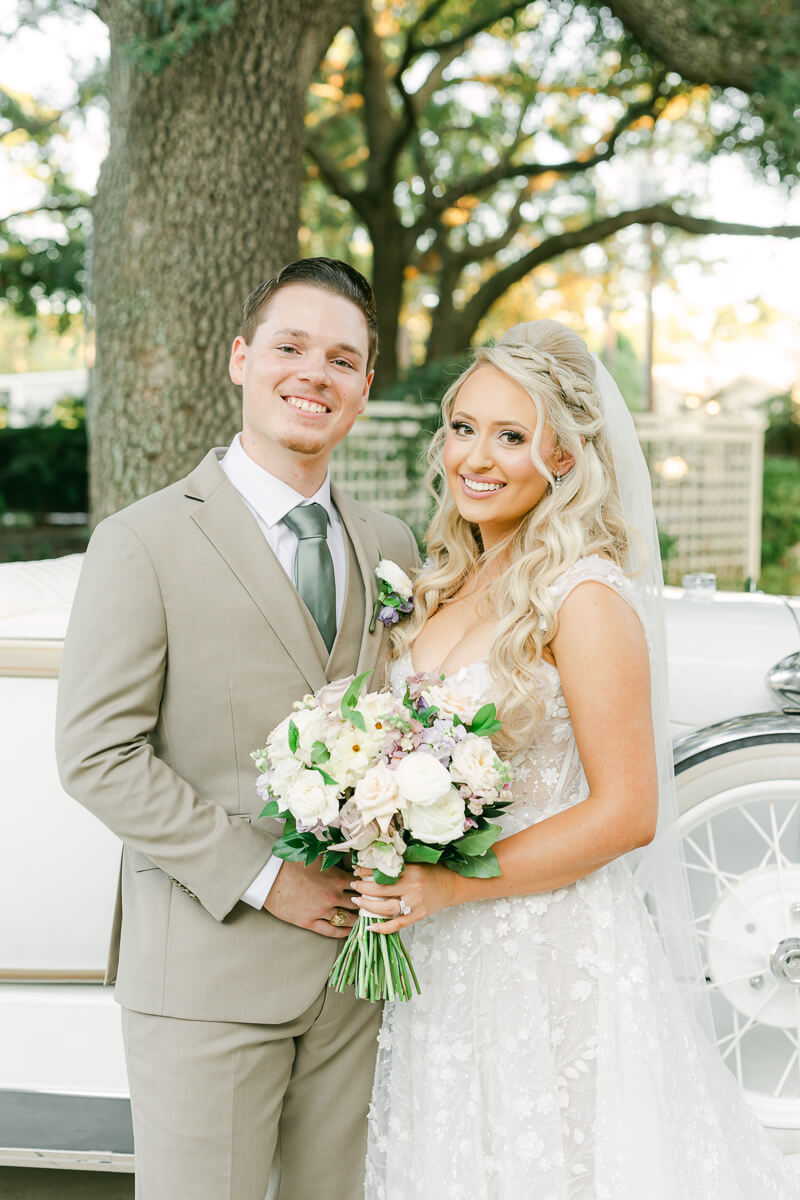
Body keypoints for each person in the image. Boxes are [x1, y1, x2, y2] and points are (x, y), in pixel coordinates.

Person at [353, 319, 799, 1198]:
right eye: (464, 427)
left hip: (547, 950)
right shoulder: (440, 579)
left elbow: (628, 810)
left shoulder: (585, 596)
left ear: (565, 456)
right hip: (440, 955)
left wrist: (449, 885)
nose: (475, 457)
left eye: (511, 436)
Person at [55, 257, 418, 1200]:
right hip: (208, 976)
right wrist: (266, 881)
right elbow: (97, 755)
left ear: (364, 388)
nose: (314, 374)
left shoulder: (391, 546)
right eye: (291, 347)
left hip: (359, 979)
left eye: (343, 359)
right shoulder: (143, 540)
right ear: (240, 359)